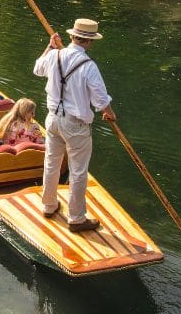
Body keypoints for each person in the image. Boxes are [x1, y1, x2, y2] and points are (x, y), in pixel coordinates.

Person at [34, 18, 116, 233]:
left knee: (52, 164)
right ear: (89, 42)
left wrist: (49, 46)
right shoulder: (89, 66)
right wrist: (110, 115)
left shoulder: (54, 55)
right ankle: (77, 219)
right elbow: (100, 99)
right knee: (78, 171)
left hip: (53, 120)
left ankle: (48, 205)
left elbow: (37, 69)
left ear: (72, 37)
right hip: (76, 125)